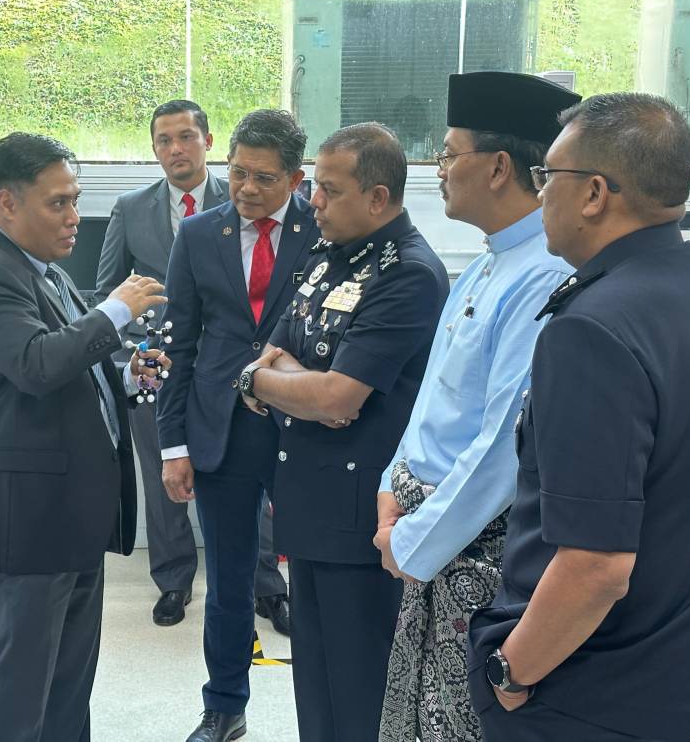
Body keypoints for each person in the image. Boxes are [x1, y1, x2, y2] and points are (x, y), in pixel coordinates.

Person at [468, 93, 690, 741]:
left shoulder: (594, 330)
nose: (539, 194)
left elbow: (594, 567)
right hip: (682, 668)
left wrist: (512, 672)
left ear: (594, 194)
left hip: (584, 691)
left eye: (548, 177)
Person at [372, 71, 580, 742]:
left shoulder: (544, 274)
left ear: (498, 167)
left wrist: (411, 539)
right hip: (425, 531)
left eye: (450, 150)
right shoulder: (489, 263)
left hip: (474, 554)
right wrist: (389, 487)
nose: (439, 166)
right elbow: (434, 396)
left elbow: (503, 447)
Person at [238, 122, 448, 742]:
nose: (313, 205)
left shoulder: (406, 273)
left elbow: (338, 396)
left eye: (328, 191)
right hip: (307, 501)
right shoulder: (330, 254)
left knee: (360, 694)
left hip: (361, 519)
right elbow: (270, 355)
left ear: (378, 198)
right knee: (317, 690)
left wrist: (285, 386)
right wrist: (279, 384)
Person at [0, 132, 169, 742]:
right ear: (6, 205)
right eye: (58, 204)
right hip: (29, 520)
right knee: (21, 686)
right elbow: (36, 363)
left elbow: (73, 369)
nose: (75, 218)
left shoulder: (45, 273)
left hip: (70, 514)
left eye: (75, 201)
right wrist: (115, 310)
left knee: (70, 681)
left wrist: (126, 377)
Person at [95, 99, 289, 632]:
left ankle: (267, 586)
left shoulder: (252, 198)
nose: (175, 148)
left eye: (185, 136)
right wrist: (130, 357)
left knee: (256, 479)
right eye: (163, 140)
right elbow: (107, 291)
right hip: (158, 364)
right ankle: (174, 580)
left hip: (241, 373)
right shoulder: (130, 208)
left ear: (208, 141)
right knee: (166, 481)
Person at [157, 109, 316, 742]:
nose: (247, 189)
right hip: (221, 426)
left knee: (318, 570)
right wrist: (175, 445)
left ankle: (326, 702)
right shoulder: (199, 235)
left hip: (303, 427)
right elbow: (179, 346)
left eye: (264, 178)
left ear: (297, 179)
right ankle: (223, 705)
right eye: (238, 172)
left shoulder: (322, 229)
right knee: (226, 580)